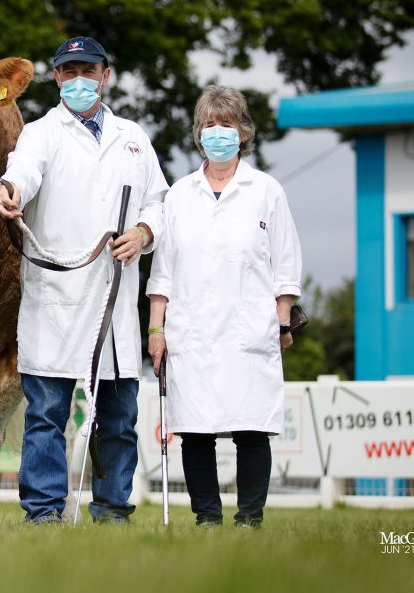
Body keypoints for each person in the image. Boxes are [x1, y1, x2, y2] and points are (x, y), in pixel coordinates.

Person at [0, 36, 168, 524]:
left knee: (118, 420)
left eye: (87, 70)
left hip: (114, 300)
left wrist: (143, 231)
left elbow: (160, 201)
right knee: (46, 416)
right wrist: (10, 191)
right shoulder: (42, 133)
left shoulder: (133, 137)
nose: (78, 80)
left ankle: (113, 510)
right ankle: (44, 513)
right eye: (68, 72)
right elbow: (22, 172)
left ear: (105, 74)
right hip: (56, 298)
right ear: (56, 78)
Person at [145, 84, 302, 528]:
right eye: (210, 125)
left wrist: (281, 321)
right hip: (190, 332)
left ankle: (249, 519)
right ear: (198, 134)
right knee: (194, 430)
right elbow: (163, 273)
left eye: (227, 125)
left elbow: (286, 264)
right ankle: (207, 519)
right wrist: (156, 330)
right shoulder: (179, 194)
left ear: (243, 133)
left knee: (252, 428)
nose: (218, 133)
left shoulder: (266, 191)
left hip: (249, 328)